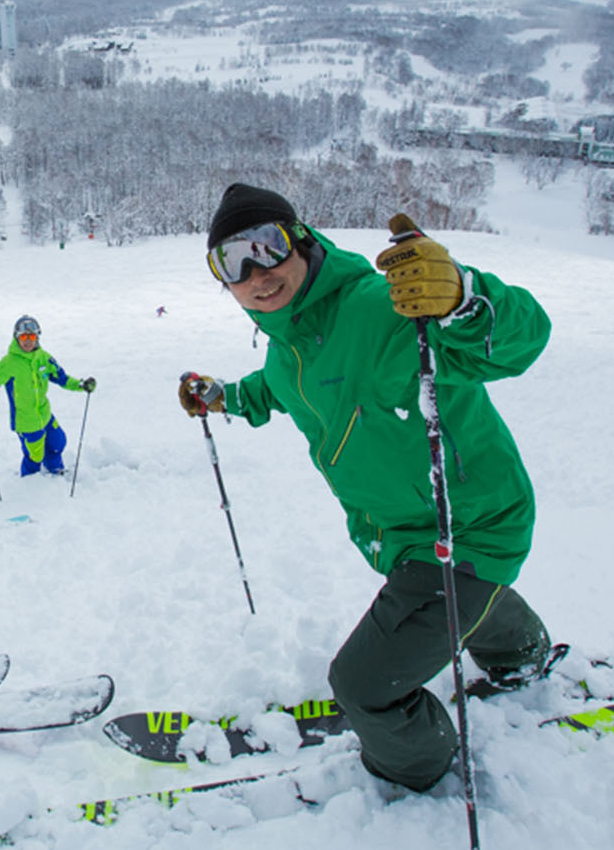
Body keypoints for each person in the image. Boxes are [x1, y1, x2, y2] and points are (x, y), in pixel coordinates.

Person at [179, 182, 554, 794]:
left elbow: (521, 339)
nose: (254, 272)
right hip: (402, 535)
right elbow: (275, 390)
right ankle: (520, 654)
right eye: (230, 262)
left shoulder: (386, 307)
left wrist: (462, 299)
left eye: (266, 246)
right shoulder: (285, 346)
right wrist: (223, 397)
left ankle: (419, 768)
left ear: (300, 240)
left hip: (467, 524)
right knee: (456, 596)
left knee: (361, 687)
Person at [0, 315, 95, 476]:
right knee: (35, 456)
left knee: (58, 442)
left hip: (44, 414)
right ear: (16, 337)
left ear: (37, 337)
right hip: (26, 422)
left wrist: (82, 385)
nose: (28, 341)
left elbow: (62, 377)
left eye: (32, 336)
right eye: (23, 337)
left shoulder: (44, 358)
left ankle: (55, 469)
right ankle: (29, 483)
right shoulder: (9, 363)